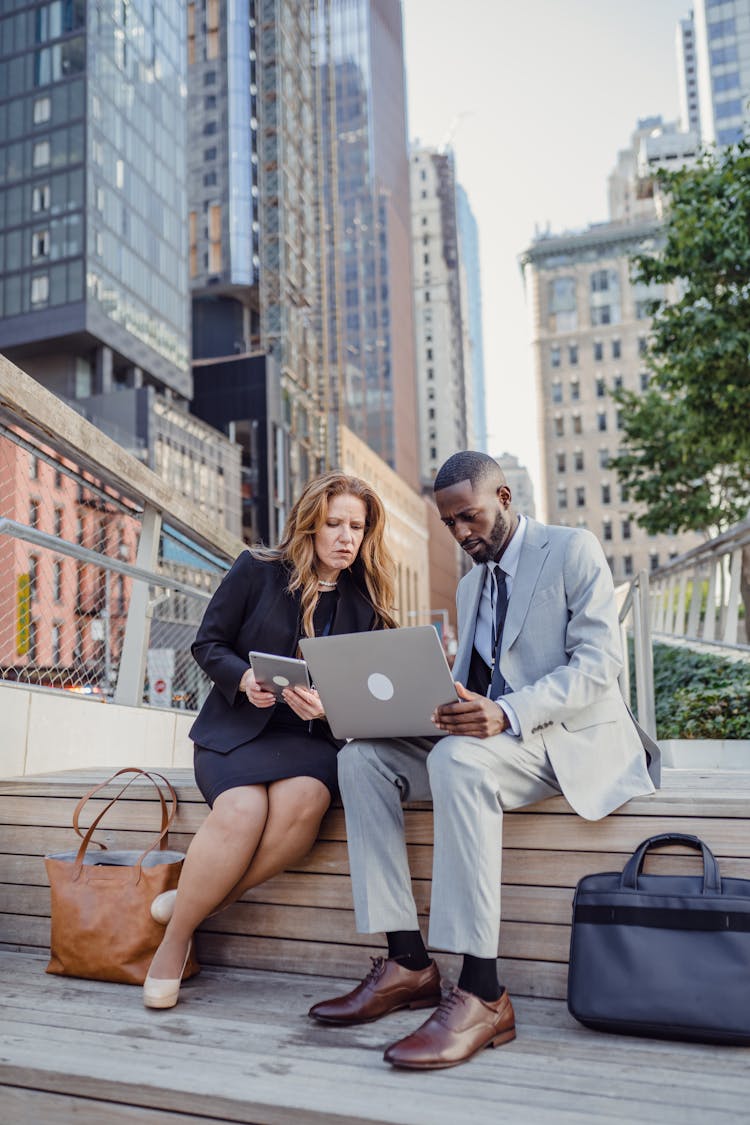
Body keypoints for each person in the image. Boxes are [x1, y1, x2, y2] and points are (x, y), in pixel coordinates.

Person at [309, 450, 660, 1069]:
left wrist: (507, 712)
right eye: (449, 524)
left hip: (565, 738)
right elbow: (477, 682)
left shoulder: (572, 549)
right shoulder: (473, 583)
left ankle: (482, 991)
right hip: (498, 739)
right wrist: (432, 704)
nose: (461, 534)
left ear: (502, 499)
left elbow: (599, 668)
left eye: (468, 517)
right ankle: (409, 962)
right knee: (363, 757)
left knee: (458, 765)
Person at [143, 471, 397, 1009]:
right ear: (310, 524)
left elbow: (372, 697)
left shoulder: (368, 599)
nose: (346, 537)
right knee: (241, 810)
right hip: (236, 730)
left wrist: (330, 707)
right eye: (334, 524)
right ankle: (174, 941)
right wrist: (242, 679)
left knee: (305, 800)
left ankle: (195, 904)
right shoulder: (256, 570)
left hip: (312, 738)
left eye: (357, 526)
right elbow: (207, 642)